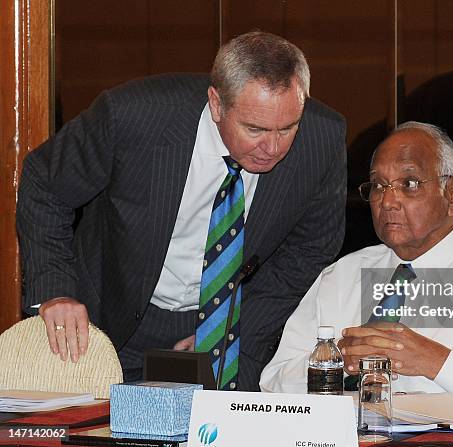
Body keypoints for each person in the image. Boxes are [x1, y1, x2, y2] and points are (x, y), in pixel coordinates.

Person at [17, 31, 347, 391]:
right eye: (255, 129)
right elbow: (44, 186)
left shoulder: (322, 138)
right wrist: (56, 291)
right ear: (217, 104)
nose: (272, 147)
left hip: (229, 323)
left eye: (287, 128)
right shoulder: (133, 117)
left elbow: (308, 252)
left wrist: (232, 330)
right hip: (107, 321)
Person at [260, 122, 453, 410]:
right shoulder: (341, 276)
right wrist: (338, 361)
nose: (388, 201)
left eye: (409, 184)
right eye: (378, 186)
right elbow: (273, 385)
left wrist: (437, 362)